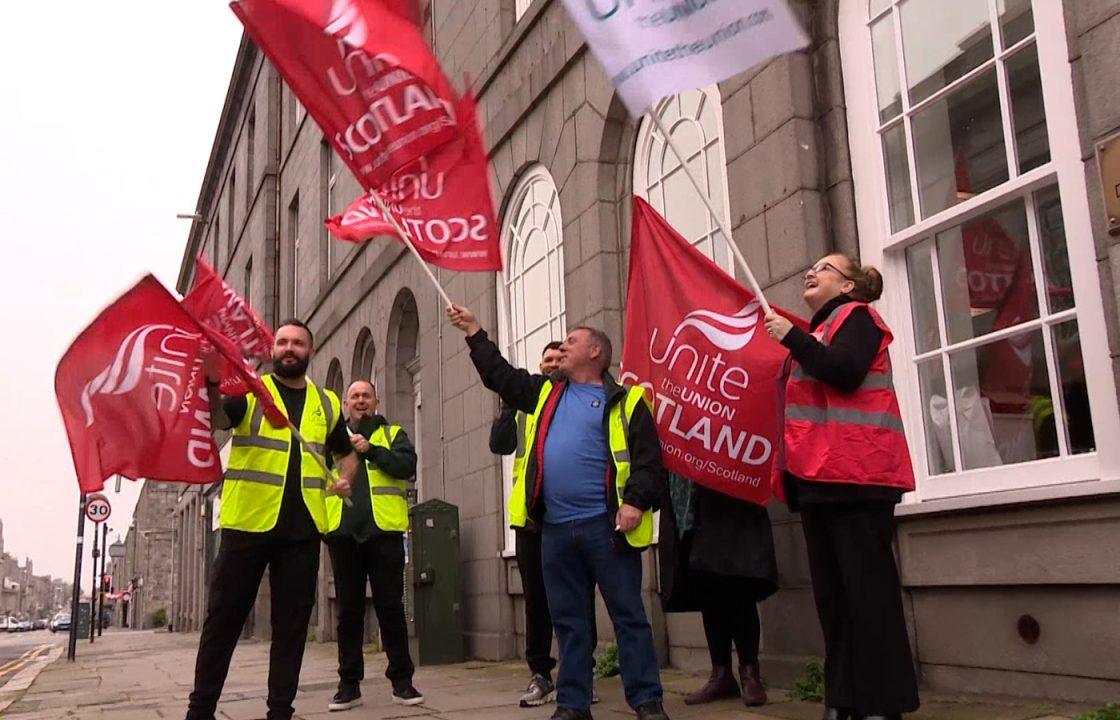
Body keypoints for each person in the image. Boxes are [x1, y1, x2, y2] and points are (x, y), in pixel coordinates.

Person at [447, 304, 669, 720]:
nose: (562, 347)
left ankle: (646, 701)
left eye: (571, 342)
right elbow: (501, 377)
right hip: (554, 530)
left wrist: (636, 501)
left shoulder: (627, 400)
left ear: (595, 353)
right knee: (568, 621)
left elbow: (649, 462)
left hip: (607, 529)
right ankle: (573, 703)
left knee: (628, 617)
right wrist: (476, 332)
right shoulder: (546, 392)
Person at [764, 255, 920, 720]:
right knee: (834, 598)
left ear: (849, 285)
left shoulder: (858, 318)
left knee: (867, 594)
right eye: (808, 267)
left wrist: (791, 338)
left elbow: (846, 371)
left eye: (825, 267)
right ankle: (843, 698)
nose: (810, 271)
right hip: (818, 481)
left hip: (858, 476)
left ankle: (882, 702)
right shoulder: (816, 332)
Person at [187, 319, 356, 720]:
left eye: (297, 342)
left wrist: (345, 479)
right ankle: (200, 709)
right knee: (222, 622)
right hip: (247, 524)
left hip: (302, 532)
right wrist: (211, 385)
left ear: (309, 352)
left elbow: (345, 454)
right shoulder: (251, 390)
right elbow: (217, 422)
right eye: (282, 342)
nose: (289, 348)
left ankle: (280, 710)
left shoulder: (328, 403)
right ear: (273, 349)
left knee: (292, 628)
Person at [490, 341, 599, 708]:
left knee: (577, 597)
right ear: (540, 366)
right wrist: (507, 407)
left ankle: (582, 671)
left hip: (568, 515)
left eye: (558, 359)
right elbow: (499, 445)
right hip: (529, 519)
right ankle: (540, 674)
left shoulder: (573, 400)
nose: (553, 365)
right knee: (536, 600)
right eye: (547, 361)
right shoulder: (527, 403)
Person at [325, 380, 423, 712]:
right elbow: (314, 479)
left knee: (391, 608)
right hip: (343, 534)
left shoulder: (393, 435)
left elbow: (407, 467)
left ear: (376, 401)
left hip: (384, 534)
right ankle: (348, 685)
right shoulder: (331, 441)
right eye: (355, 396)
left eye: (366, 395)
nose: (361, 401)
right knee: (348, 612)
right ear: (345, 403)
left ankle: (402, 682)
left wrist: (371, 451)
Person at [657, 474, 777, 708]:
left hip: (726, 486)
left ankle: (750, 674)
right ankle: (721, 673)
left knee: (737, 582)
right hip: (687, 498)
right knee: (706, 586)